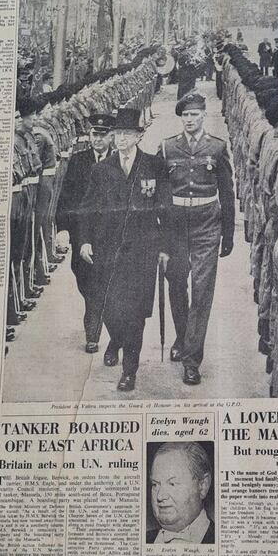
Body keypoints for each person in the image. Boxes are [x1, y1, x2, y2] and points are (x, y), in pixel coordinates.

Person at [79, 108, 170, 391]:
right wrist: (84, 240)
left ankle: (129, 370)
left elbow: (165, 208)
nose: (120, 139)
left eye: (126, 134)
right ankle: (115, 339)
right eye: (117, 134)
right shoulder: (100, 170)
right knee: (110, 308)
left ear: (138, 136)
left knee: (136, 314)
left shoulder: (154, 165)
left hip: (143, 251)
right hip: (108, 250)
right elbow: (87, 208)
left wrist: (165, 247)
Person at [161, 92, 235, 386]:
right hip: (176, 225)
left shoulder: (217, 148)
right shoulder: (168, 147)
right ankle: (182, 337)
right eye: (185, 115)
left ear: (204, 115)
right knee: (176, 284)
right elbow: (161, 193)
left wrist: (227, 233)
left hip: (207, 224)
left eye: (194, 115)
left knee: (202, 291)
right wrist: (160, 236)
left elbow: (227, 192)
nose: (189, 120)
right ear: (180, 118)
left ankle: (192, 359)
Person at [55, 113, 114, 353]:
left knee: (104, 284)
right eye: (94, 135)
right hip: (82, 232)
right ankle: (96, 312)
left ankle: (93, 333)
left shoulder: (120, 160)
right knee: (84, 280)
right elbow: (66, 197)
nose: (97, 140)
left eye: (102, 135)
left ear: (111, 136)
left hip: (110, 234)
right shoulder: (79, 161)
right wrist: (63, 229)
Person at [146, 442, 214, 544]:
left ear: (202, 486)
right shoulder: (144, 539)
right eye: (155, 485)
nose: (160, 496)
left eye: (172, 484)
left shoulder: (219, 539)